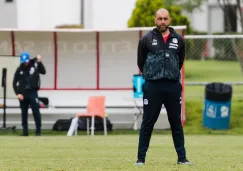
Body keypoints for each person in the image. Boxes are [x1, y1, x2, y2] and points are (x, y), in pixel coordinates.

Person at [134, 8, 192, 166]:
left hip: (172, 86)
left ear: (170, 20)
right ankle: (140, 159)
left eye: (165, 19)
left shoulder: (178, 40)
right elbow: (141, 62)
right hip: (152, 86)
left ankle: (182, 158)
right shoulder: (146, 39)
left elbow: (180, 62)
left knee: (176, 123)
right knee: (147, 122)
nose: (162, 22)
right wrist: (153, 74)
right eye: (159, 19)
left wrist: (171, 74)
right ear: (155, 20)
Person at [12, 52, 46, 136]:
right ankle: (25, 131)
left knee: (36, 111)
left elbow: (43, 71)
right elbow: (14, 83)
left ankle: (38, 131)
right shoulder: (19, 69)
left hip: (33, 92)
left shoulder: (35, 65)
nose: (25, 63)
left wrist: (40, 62)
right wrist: (18, 93)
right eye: (24, 61)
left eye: (26, 61)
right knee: (24, 113)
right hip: (22, 94)